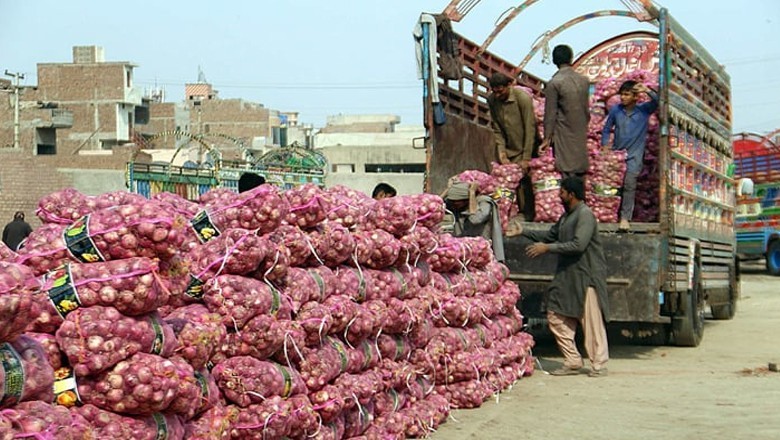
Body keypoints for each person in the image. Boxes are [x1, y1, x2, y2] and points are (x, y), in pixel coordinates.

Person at [517, 176, 609, 377]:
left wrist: (546, 249)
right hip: (568, 276)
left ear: (571, 194)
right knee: (556, 315)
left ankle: (599, 364)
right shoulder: (566, 217)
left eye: (562, 192)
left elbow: (579, 245)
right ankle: (573, 360)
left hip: (587, 276)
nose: (559, 195)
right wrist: (523, 231)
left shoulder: (585, 215)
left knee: (591, 322)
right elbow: (549, 235)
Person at [600, 80, 658, 231]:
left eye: (627, 94)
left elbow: (658, 102)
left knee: (629, 185)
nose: (623, 98)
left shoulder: (644, 110)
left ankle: (625, 218)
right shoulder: (615, 111)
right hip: (618, 155)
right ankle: (611, 214)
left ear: (635, 97)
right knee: (614, 186)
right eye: (622, 94)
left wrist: (646, 90)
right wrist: (605, 144)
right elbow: (606, 129)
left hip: (634, 156)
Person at [487, 72, 538, 222]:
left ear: (509, 86)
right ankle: (507, 211)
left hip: (526, 146)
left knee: (526, 182)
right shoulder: (492, 100)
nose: (497, 95)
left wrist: (526, 157)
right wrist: (501, 152)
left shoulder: (522, 99)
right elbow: (497, 128)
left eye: (501, 91)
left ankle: (528, 212)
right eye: (494, 92)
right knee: (506, 182)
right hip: (509, 147)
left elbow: (530, 128)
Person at [540, 44, 591, 179]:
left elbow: (550, 114)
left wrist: (546, 138)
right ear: (571, 59)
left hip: (564, 132)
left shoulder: (554, 83)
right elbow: (586, 109)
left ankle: (570, 194)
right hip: (580, 130)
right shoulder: (584, 81)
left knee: (566, 169)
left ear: (554, 61)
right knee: (579, 169)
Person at [442, 180, 505, 262]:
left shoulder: (484, 202)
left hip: (481, 252)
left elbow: (475, 219)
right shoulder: (456, 206)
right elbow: (435, 206)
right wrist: (448, 190)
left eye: (456, 202)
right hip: (462, 251)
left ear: (466, 200)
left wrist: (471, 193)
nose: (453, 204)